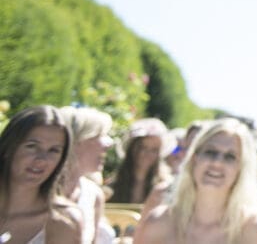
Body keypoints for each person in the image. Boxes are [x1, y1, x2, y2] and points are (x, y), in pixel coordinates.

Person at [133, 118, 257, 244]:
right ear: (194, 159)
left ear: (241, 168)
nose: (217, 163)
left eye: (230, 157)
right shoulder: (158, 223)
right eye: (210, 152)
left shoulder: (256, 230)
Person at [0, 105, 83, 244]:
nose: (41, 159)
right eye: (32, 146)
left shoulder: (63, 221)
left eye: (53, 150)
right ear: (9, 148)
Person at [58, 106, 115, 244]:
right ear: (74, 142)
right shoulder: (34, 188)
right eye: (100, 135)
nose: (109, 144)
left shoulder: (93, 194)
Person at [107, 118, 171, 215]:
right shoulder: (113, 184)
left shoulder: (165, 186)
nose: (147, 154)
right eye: (143, 147)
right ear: (132, 149)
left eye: (154, 150)